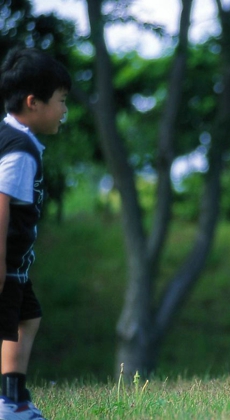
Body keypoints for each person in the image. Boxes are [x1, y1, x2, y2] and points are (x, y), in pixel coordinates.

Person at [0, 47, 71, 419]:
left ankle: (14, 395)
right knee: (11, 324)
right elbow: (0, 204)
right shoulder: (21, 151)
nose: (64, 110)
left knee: (26, 318)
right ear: (33, 102)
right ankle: (9, 405)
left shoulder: (12, 138)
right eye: (60, 101)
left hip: (16, 266)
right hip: (7, 263)